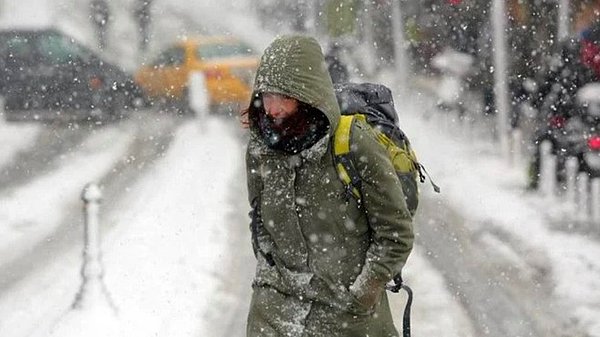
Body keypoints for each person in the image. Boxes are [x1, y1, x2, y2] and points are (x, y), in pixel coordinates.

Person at [243, 35, 414, 337]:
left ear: (307, 94)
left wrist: (364, 292)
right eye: (266, 96)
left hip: (347, 317)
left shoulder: (353, 143)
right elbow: (259, 220)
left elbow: (395, 232)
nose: (272, 108)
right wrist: (268, 273)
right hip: (275, 314)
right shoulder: (262, 148)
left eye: (283, 97)